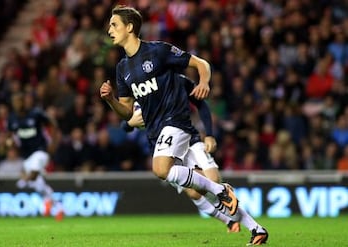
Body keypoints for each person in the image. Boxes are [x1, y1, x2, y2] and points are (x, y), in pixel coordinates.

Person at [100, 6, 268, 245]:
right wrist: (110, 100)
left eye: (113, 25)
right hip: (156, 133)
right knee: (192, 186)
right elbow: (127, 112)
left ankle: (221, 191)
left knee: (160, 169)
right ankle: (256, 229)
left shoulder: (158, 51)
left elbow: (201, 63)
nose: (109, 30)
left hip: (176, 122)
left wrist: (205, 82)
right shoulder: (122, 69)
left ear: (129, 27)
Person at [125, 75, 269, 240]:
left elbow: (200, 103)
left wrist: (209, 134)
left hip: (189, 140)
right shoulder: (140, 92)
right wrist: (129, 122)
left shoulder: (175, 80)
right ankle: (250, 227)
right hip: (164, 149)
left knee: (212, 181)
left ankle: (237, 215)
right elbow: (126, 122)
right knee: (197, 192)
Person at [7, 92, 63, 219]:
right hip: (27, 155)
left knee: (33, 175)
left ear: (24, 101)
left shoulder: (35, 114)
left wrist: (53, 143)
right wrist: (9, 143)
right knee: (38, 184)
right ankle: (56, 206)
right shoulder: (12, 118)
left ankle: (24, 181)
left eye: (19, 101)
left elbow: (52, 123)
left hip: (41, 151)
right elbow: (10, 135)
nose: (17, 104)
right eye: (14, 102)